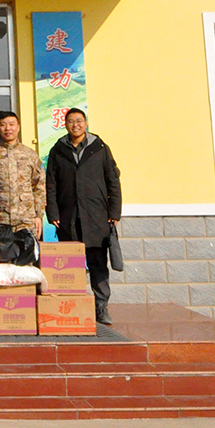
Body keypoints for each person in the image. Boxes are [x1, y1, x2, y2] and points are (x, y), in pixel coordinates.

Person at [45, 107, 121, 326]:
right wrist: (53, 212)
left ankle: (101, 306)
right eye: (70, 121)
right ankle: (74, 305)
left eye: (79, 121)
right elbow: (51, 184)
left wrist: (114, 211)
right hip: (68, 216)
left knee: (98, 263)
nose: (75, 125)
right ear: (65, 124)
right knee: (71, 264)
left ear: (86, 123)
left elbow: (113, 180)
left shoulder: (100, 148)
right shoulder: (58, 150)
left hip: (96, 215)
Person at [0, 112, 46, 236]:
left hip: (26, 219)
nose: (8, 128)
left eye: (11, 124)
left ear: (18, 127)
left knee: (27, 248)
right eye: (3, 125)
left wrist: (38, 215)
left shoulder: (30, 154)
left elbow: (39, 186)